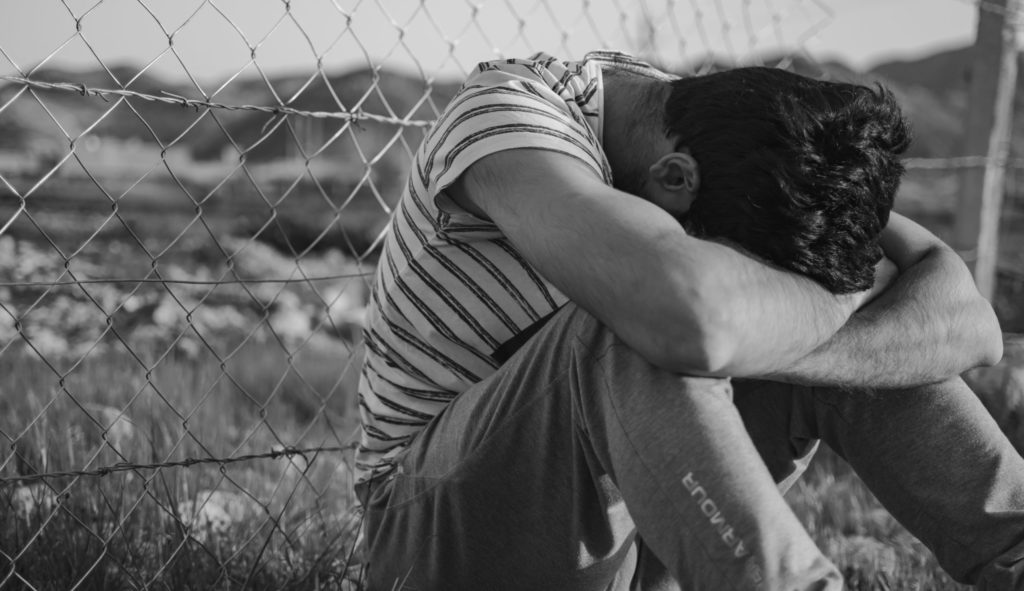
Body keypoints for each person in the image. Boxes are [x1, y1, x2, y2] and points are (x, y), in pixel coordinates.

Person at [353, 51, 1022, 590]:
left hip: (638, 528)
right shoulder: (507, 118)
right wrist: (771, 322)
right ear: (675, 179)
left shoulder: (751, 145)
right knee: (641, 316)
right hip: (435, 535)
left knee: (805, 316)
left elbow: (969, 324)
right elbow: (692, 317)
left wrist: (783, 335)